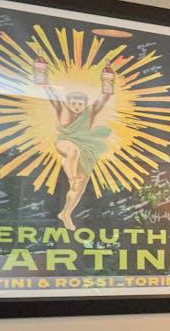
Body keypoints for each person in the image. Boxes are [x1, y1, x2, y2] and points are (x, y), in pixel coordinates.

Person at [35, 54, 119, 231]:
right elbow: (48, 91)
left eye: (80, 103)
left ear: (84, 104)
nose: (77, 106)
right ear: (69, 103)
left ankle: (66, 212)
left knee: (79, 188)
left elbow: (105, 96)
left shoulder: (90, 113)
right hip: (65, 142)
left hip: (86, 149)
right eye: (74, 102)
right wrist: (41, 72)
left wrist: (108, 76)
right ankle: (72, 177)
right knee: (72, 153)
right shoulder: (61, 108)